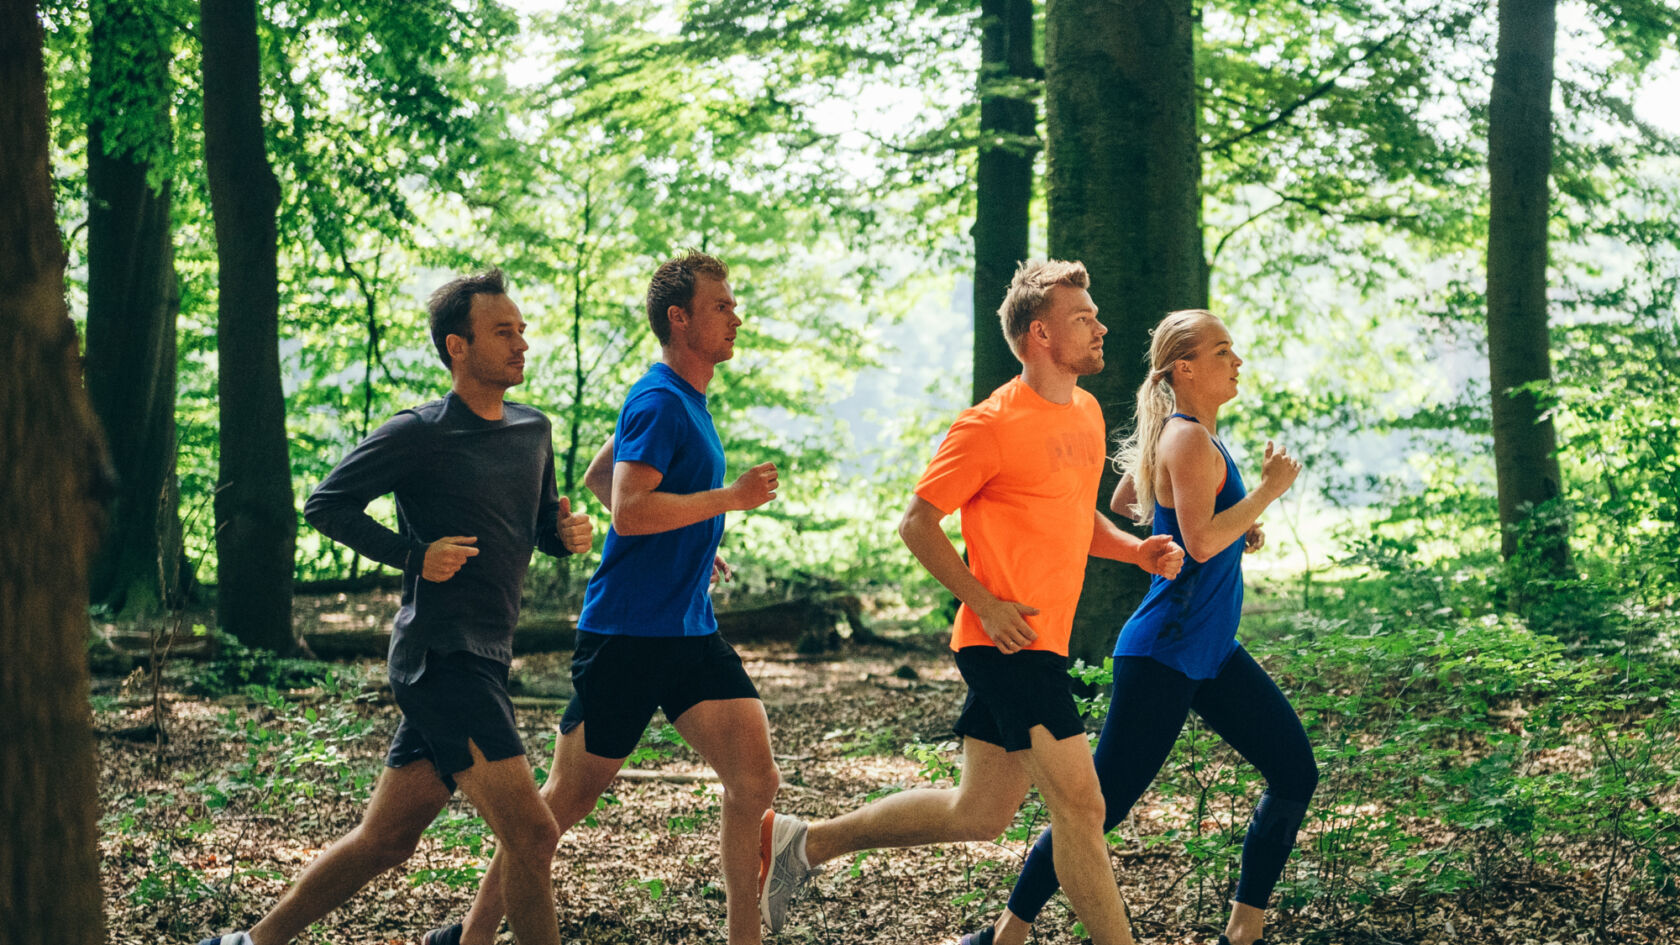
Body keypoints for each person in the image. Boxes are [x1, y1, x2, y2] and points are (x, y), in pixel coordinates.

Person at [757, 260, 1184, 945]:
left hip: (1038, 641)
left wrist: (1135, 551)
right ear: (1040, 334)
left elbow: (1074, 518)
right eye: (1084, 318)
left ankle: (802, 844)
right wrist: (985, 603)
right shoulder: (989, 424)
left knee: (978, 811)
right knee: (1082, 803)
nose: (1102, 327)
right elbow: (916, 523)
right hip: (1005, 645)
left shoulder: (1085, 412)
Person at [198, 269, 594, 945]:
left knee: (385, 840)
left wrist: (562, 536)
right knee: (531, 831)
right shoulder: (421, 432)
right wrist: (415, 553)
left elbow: (532, 527)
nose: (522, 343)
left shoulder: (534, 429)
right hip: (441, 656)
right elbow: (327, 502)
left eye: (522, 329)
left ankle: (251, 942)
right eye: (504, 332)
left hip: (486, 658)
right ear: (457, 346)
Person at [427, 251, 782, 945]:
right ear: (680, 320)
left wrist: (696, 540)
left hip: (687, 633)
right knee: (561, 804)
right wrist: (729, 500)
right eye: (722, 306)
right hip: (627, 636)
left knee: (755, 778)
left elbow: (601, 474)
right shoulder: (658, 399)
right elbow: (626, 509)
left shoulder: (680, 398)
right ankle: (468, 937)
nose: (735, 317)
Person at [958, 308, 1318, 945]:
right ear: (1184, 367)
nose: (1237, 361)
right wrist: (1263, 494)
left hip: (1209, 651)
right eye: (1222, 351)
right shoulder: (1185, 437)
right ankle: (1002, 936)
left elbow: (1137, 505)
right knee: (1100, 807)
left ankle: (1243, 933)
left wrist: (1230, 522)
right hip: (1165, 652)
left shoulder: (1189, 438)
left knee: (1294, 772)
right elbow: (1200, 543)